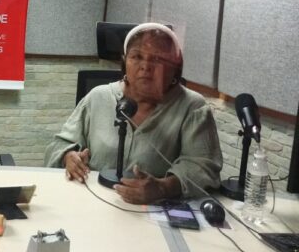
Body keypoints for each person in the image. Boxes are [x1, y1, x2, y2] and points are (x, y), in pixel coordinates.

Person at [44, 23, 222, 204]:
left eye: (157, 59)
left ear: (175, 68)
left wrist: (163, 188)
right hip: (92, 201)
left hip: (152, 209)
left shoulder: (193, 107)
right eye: (137, 56)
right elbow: (58, 145)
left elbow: (203, 166)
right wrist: (69, 157)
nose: (145, 66)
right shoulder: (98, 97)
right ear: (124, 62)